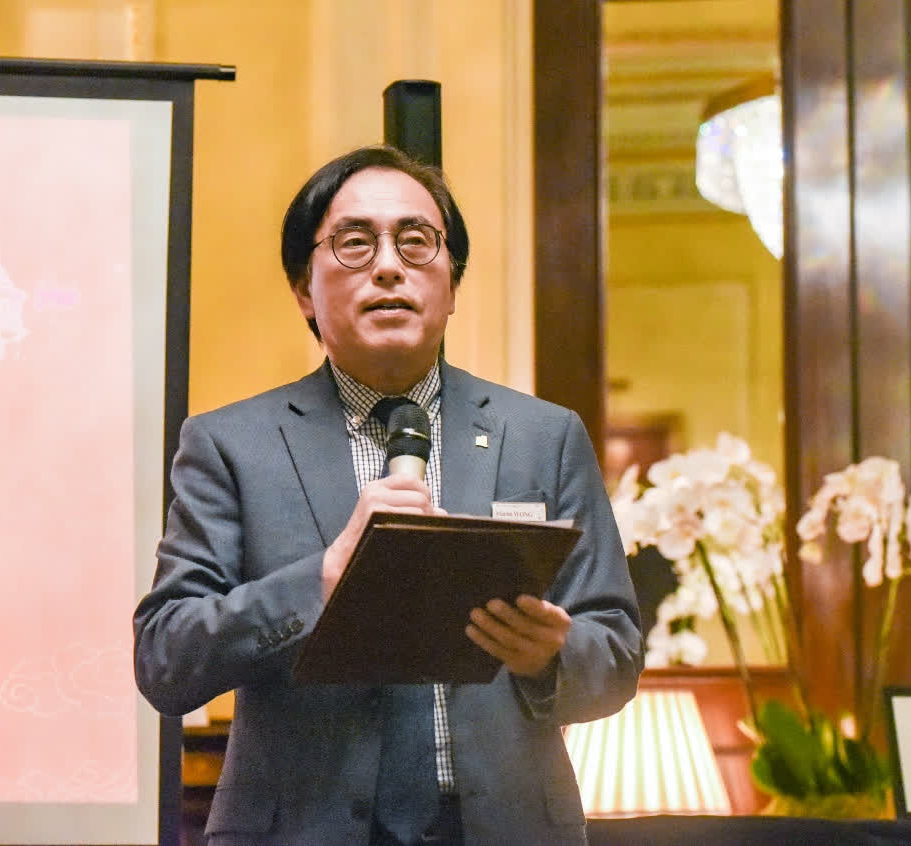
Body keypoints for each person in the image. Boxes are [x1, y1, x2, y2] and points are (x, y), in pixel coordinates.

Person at [133, 145, 643, 846]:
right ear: (304, 291)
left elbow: (616, 654)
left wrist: (549, 655)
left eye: (416, 240)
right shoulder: (231, 444)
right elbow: (166, 659)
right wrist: (321, 579)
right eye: (354, 243)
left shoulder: (542, 437)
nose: (388, 266)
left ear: (452, 283)